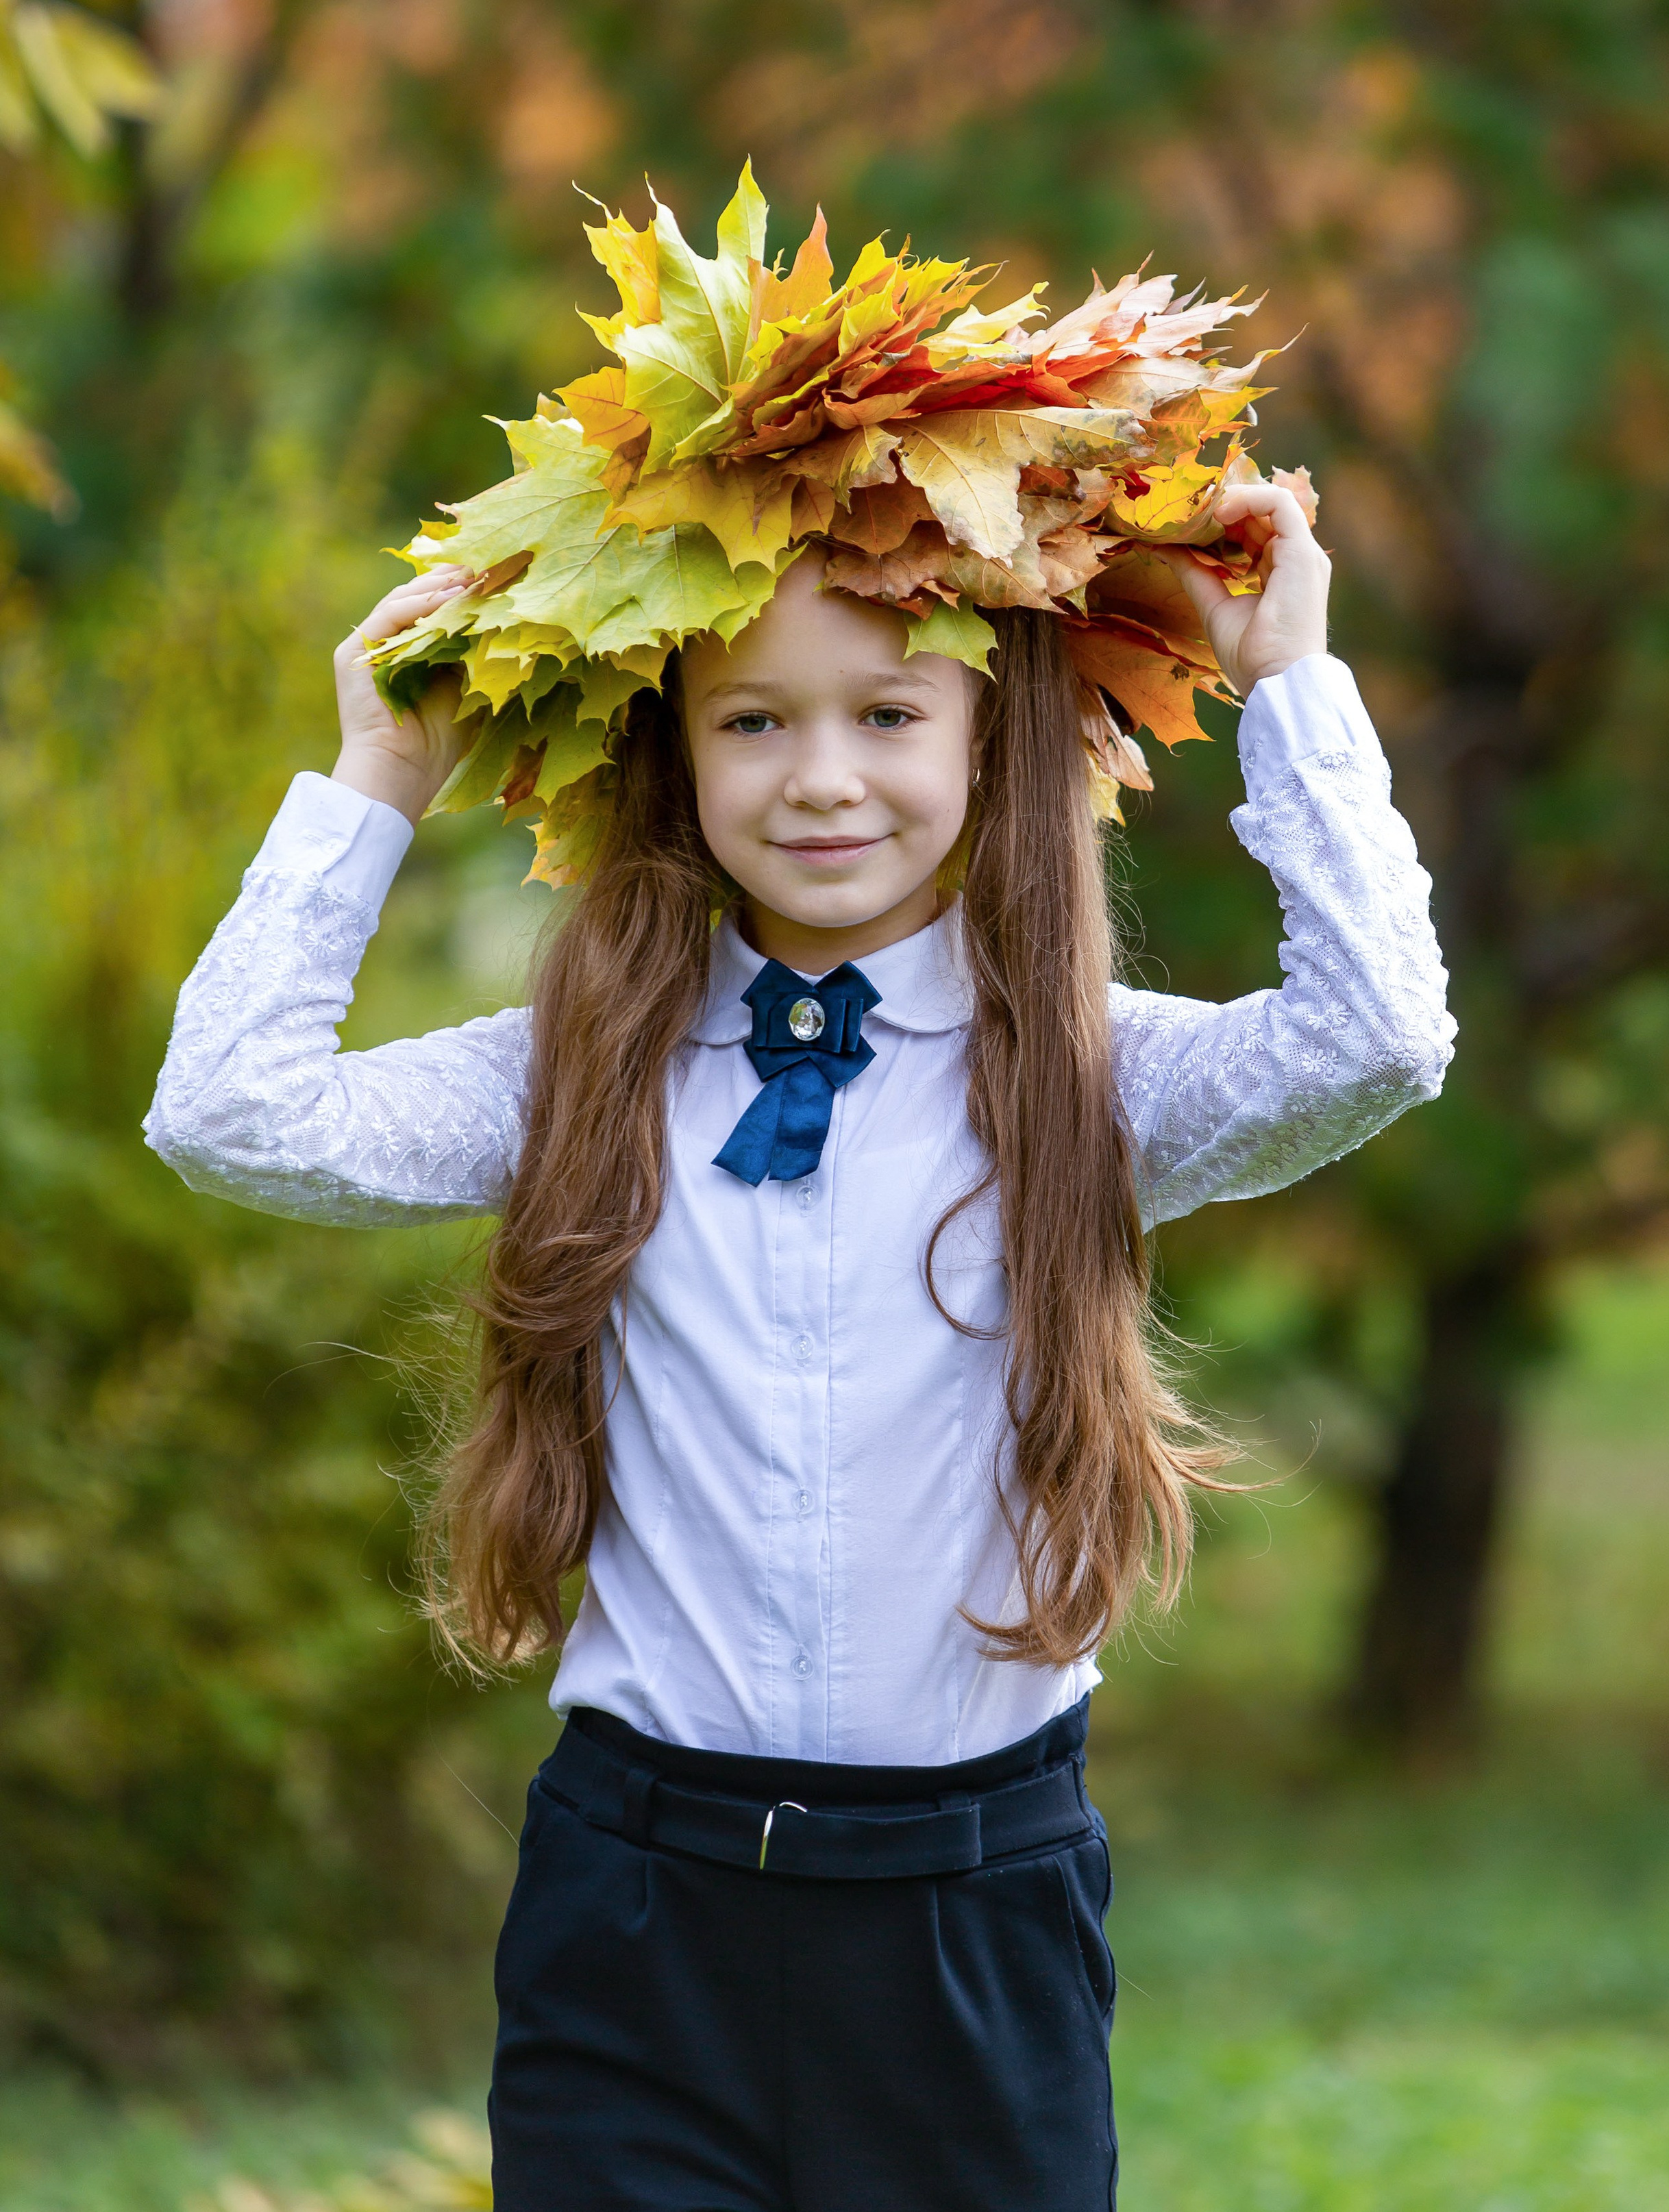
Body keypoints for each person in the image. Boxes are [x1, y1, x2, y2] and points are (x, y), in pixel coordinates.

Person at [145, 184, 1453, 2212]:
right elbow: (230, 1113)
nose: (821, 778)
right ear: (675, 759)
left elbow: (1375, 1039)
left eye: (887, 717)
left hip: (970, 1922)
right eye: (753, 721)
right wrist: (370, 790)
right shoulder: (580, 1069)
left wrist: (1290, 688)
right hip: (636, 1913)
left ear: (988, 735)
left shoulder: (1091, 1078)